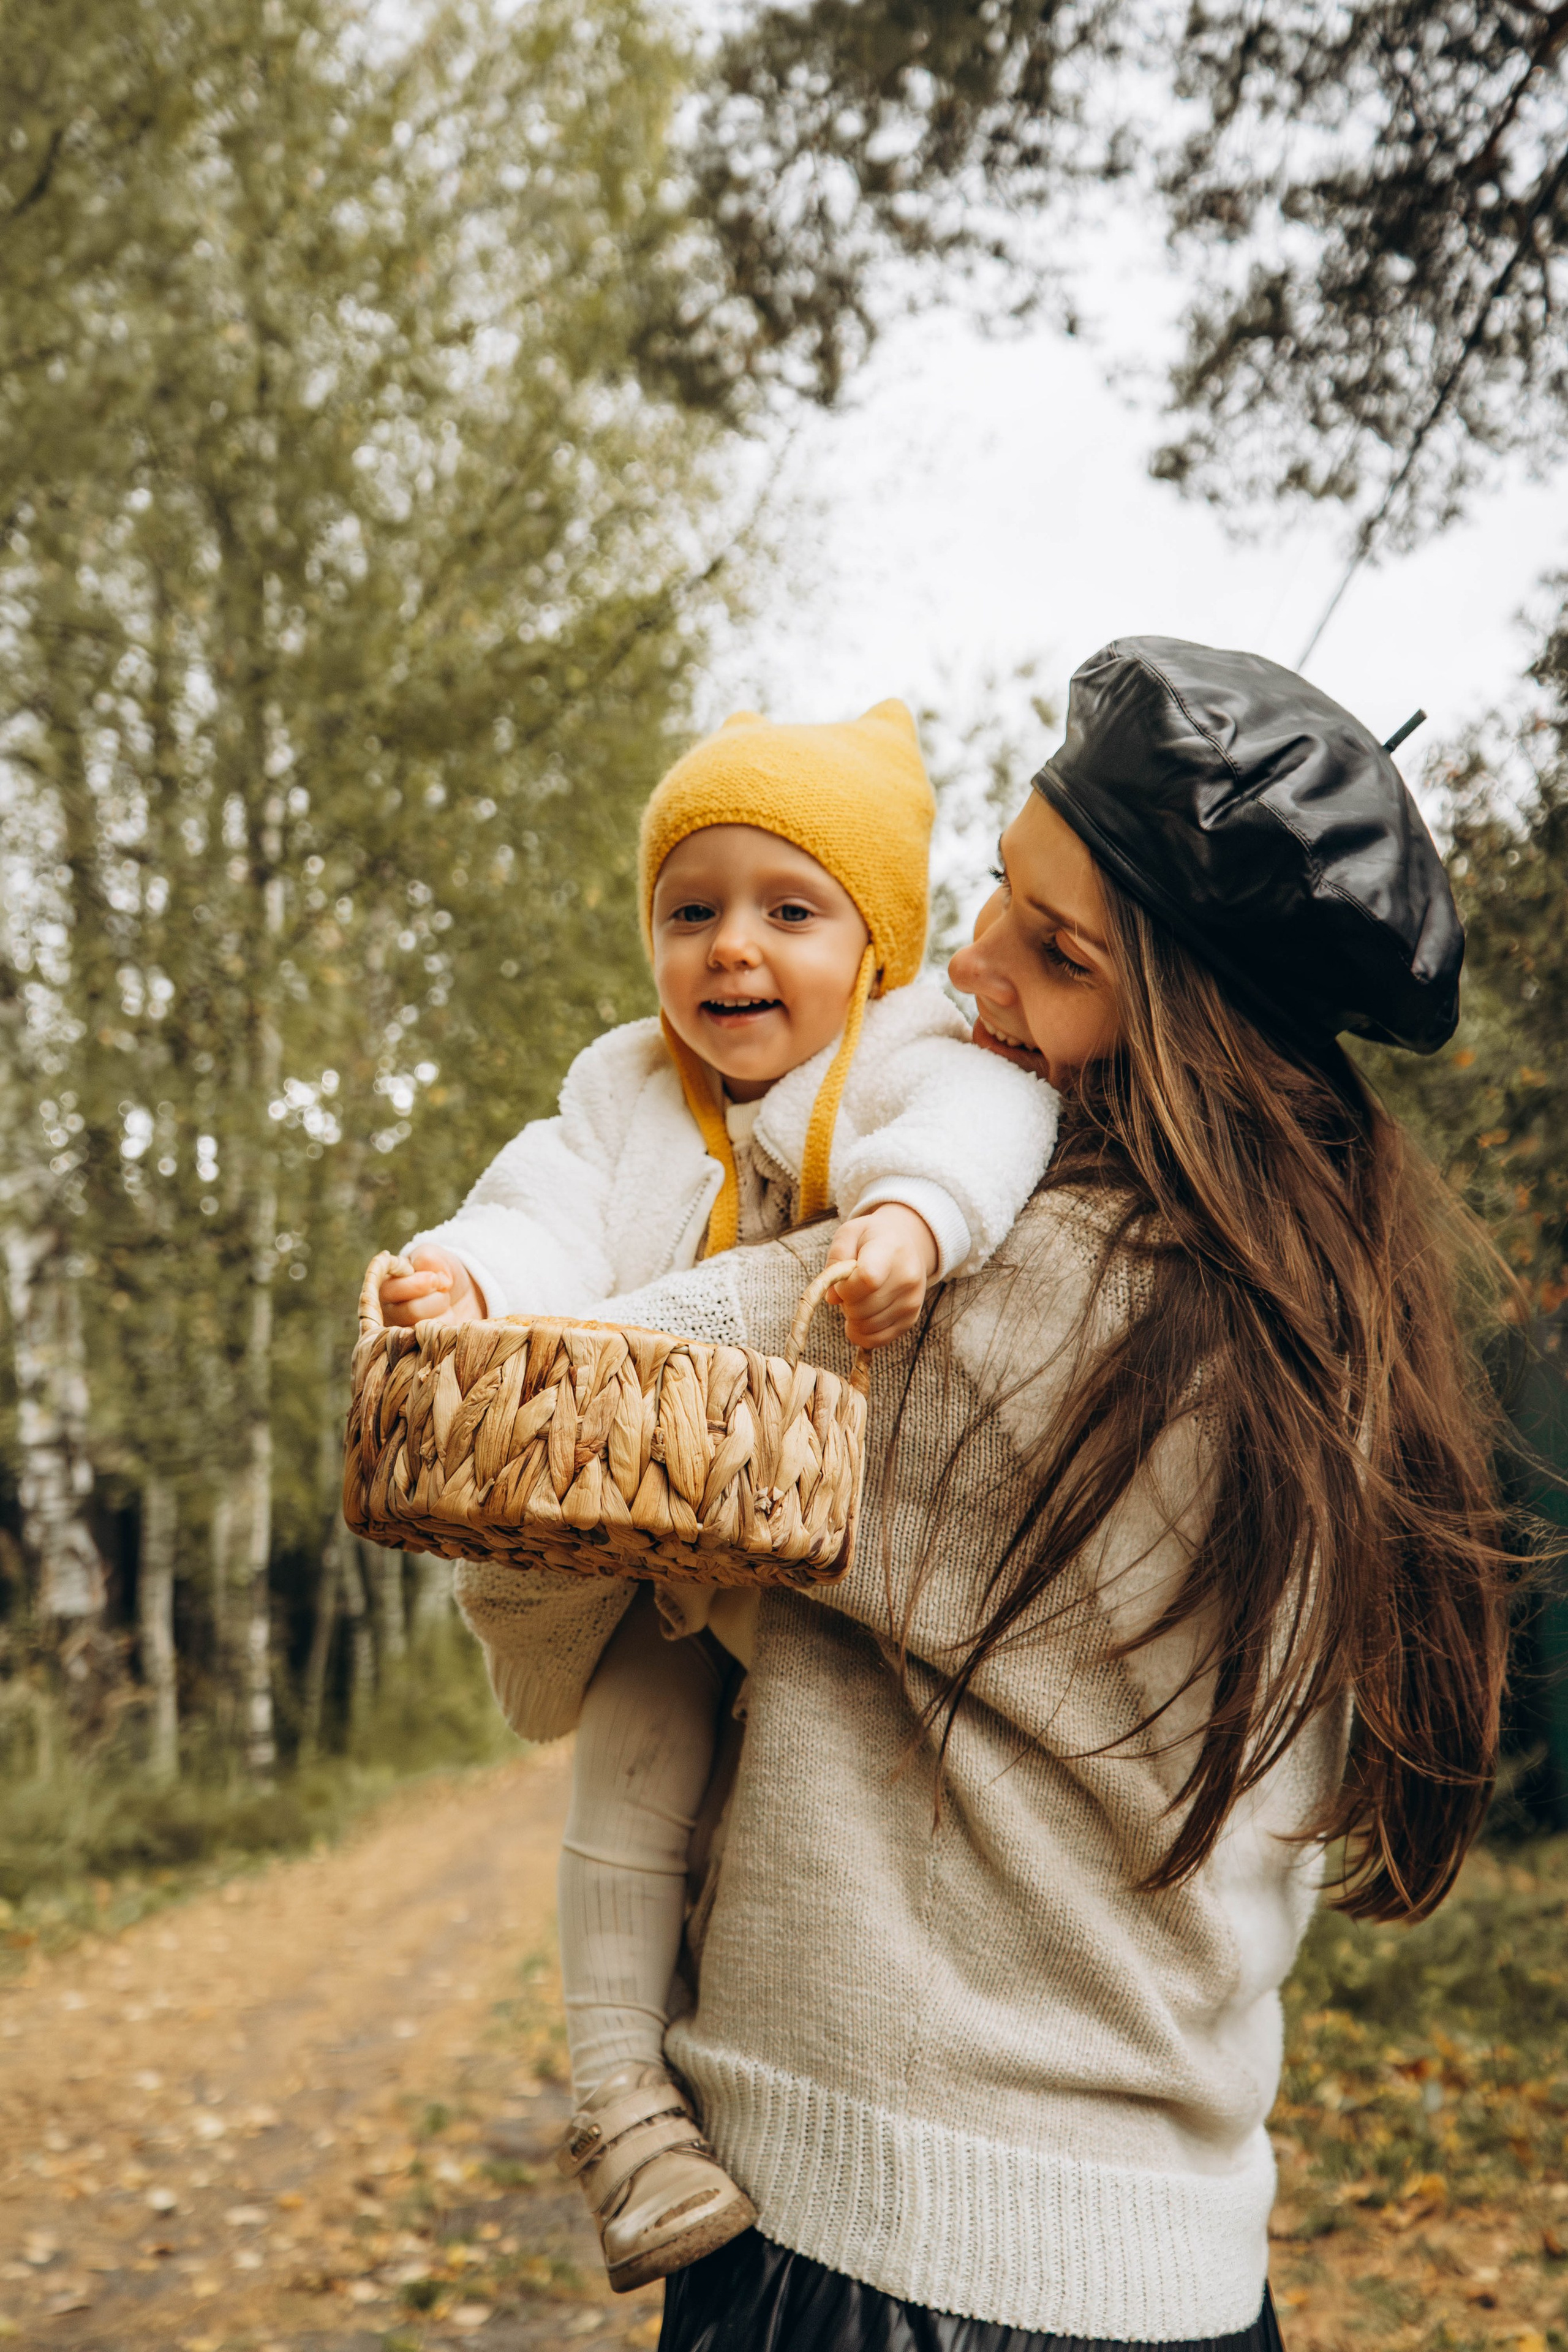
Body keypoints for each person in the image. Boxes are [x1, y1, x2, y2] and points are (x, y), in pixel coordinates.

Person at [452, 639, 1516, 2352]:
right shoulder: (1346, 1333)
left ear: (1185, 1025)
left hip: (872, 2258)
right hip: (1190, 2270)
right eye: (999, 896)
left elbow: (536, 1483)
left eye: (1056, 950)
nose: (967, 963)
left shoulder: (990, 1298)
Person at [375, 699, 1058, 2290]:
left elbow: (991, 1118)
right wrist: (470, 1279)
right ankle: (623, 2105)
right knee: (634, 1750)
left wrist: (911, 1226)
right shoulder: (624, 1083)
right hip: (655, 1518)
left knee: (816, 1810)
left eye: (788, 910)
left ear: (876, 944)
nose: (731, 952)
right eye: (692, 911)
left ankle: (830, 2073)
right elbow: (545, 1201)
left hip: (841, 1541)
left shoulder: (908, 1052)